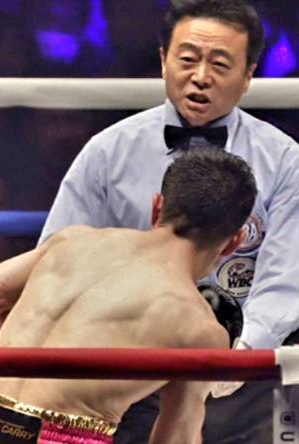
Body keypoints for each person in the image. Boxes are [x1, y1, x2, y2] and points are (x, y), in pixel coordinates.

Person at [38, 0, 299, 442]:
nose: (201, 76)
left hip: (245, 377)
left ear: (248, 75)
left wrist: (240, 354)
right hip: (131, 371)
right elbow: (58, 260)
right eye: (188, 59)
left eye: (220, 64)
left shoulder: (284, 160)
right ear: (163, 60)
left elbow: (286, 276)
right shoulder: (108, 153)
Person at [0, 149, 255, 443]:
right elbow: (175, 440)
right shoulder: (198, 327)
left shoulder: (72, 241)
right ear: (235, 241)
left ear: (157, 208)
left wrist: (36, 353)